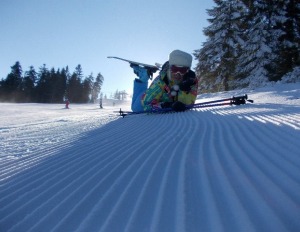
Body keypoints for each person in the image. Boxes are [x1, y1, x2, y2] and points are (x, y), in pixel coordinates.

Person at [131, 50, 198, 112]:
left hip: (160, 96)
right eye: (175, 69)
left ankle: (144, 77)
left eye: (182, 70)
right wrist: (167, 105)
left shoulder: (191, 80)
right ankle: (143, 76)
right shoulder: (161, 80)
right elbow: (146, 104)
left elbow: (187, 105)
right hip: (149, 97)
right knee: (135, 108)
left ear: (187, 71)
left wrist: (184, 91)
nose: (178, 74)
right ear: (170, 67)